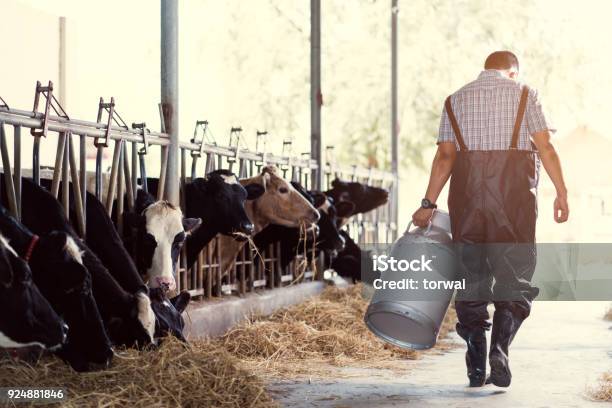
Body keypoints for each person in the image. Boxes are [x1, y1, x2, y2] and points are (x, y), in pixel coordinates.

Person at [412, 51, 569, 388]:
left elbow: (445, 157)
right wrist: (561, 192)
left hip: (467, 201)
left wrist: (428, 203)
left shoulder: (455, 100)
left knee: (470, 279)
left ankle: (475, 359)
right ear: (513, 72)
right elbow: (546, 148)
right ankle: (500, 348)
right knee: (515, 278)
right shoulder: (527, 94)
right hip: (514, 204)